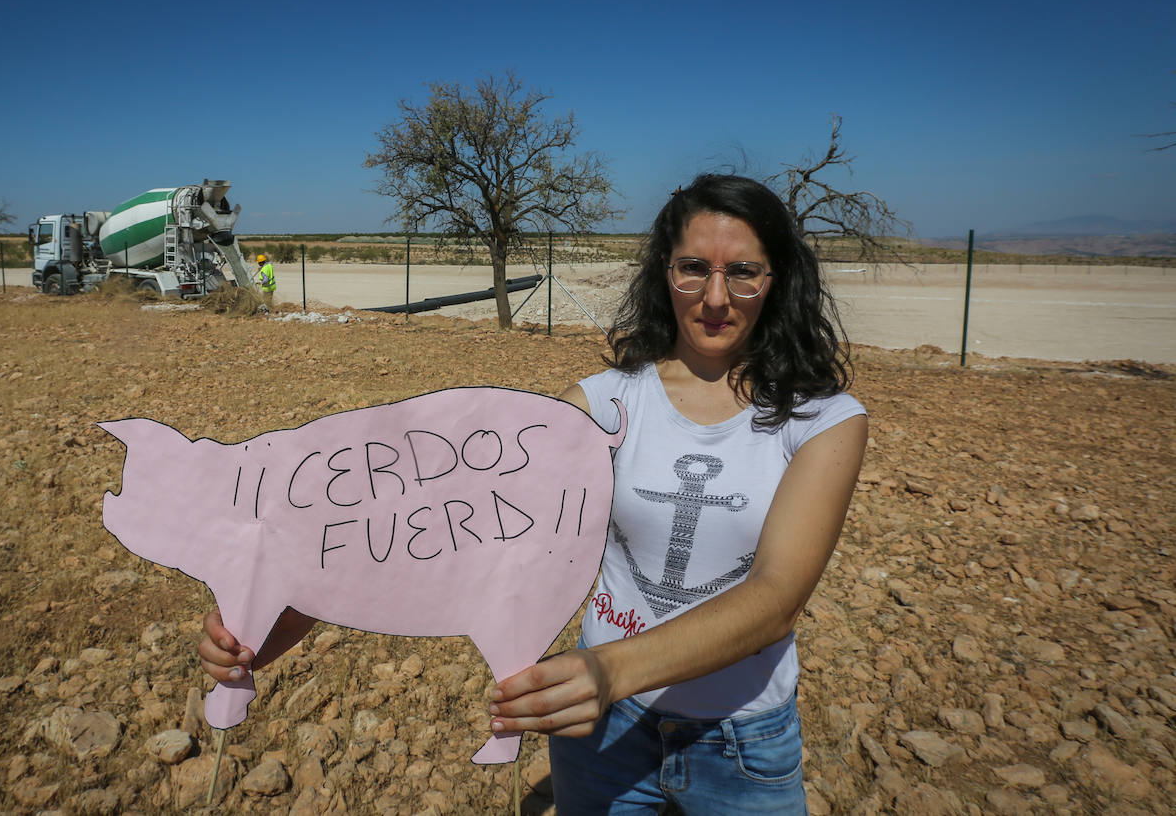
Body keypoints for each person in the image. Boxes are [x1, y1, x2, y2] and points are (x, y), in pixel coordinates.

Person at [199, 174, 867, 814]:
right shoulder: (598, 406)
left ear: (777, 281)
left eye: (743, 271)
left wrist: (610, 671)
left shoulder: (825, 421)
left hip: (739, 739)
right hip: (601, 731)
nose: (715, 297)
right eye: (694, 267)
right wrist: (275, 617)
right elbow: (428, 526)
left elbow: (776, 598)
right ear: (666, 273)